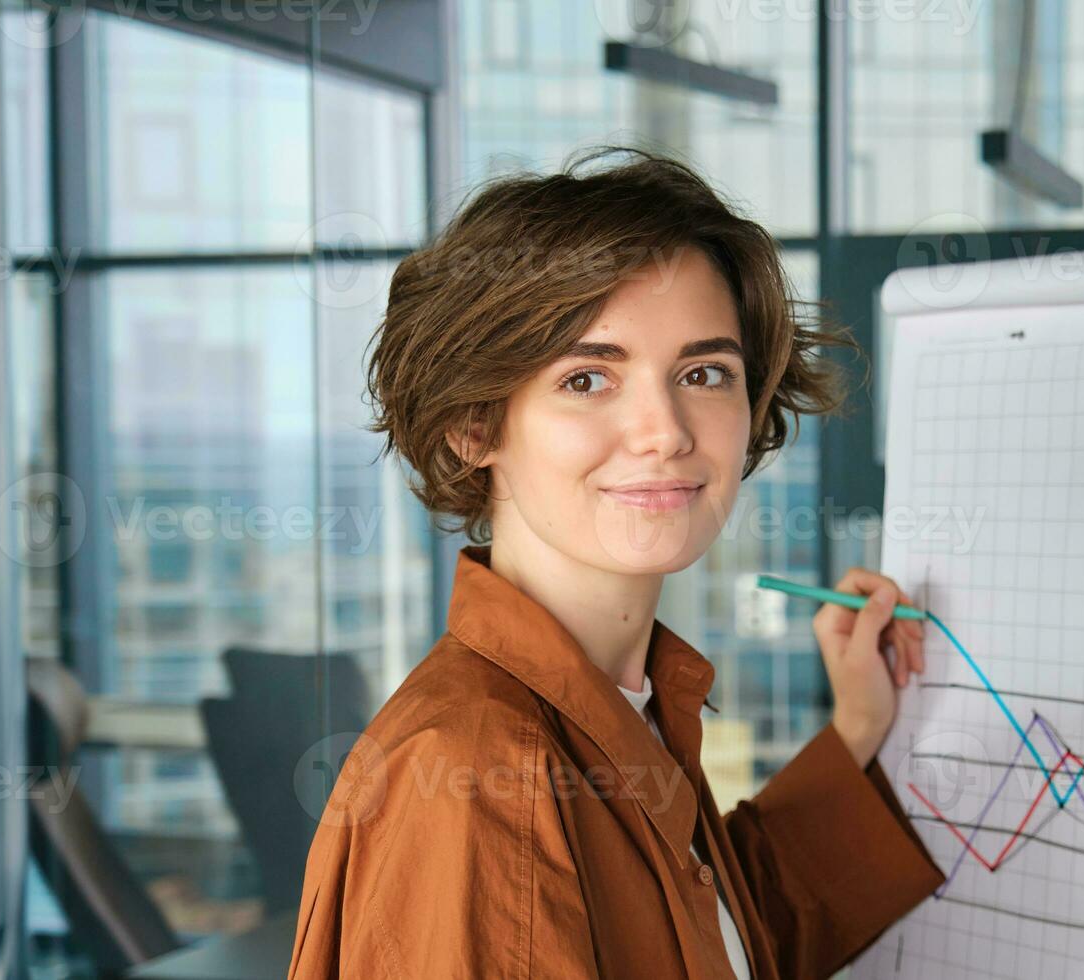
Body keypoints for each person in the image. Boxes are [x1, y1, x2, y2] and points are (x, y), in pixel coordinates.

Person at [287, 147, 946, 979]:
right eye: (588, 379)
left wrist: (856, 729)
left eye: (704, 373)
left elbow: (725, 941)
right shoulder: (483, 773)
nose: (665, 430)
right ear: (475, 427)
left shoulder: (620, 709)